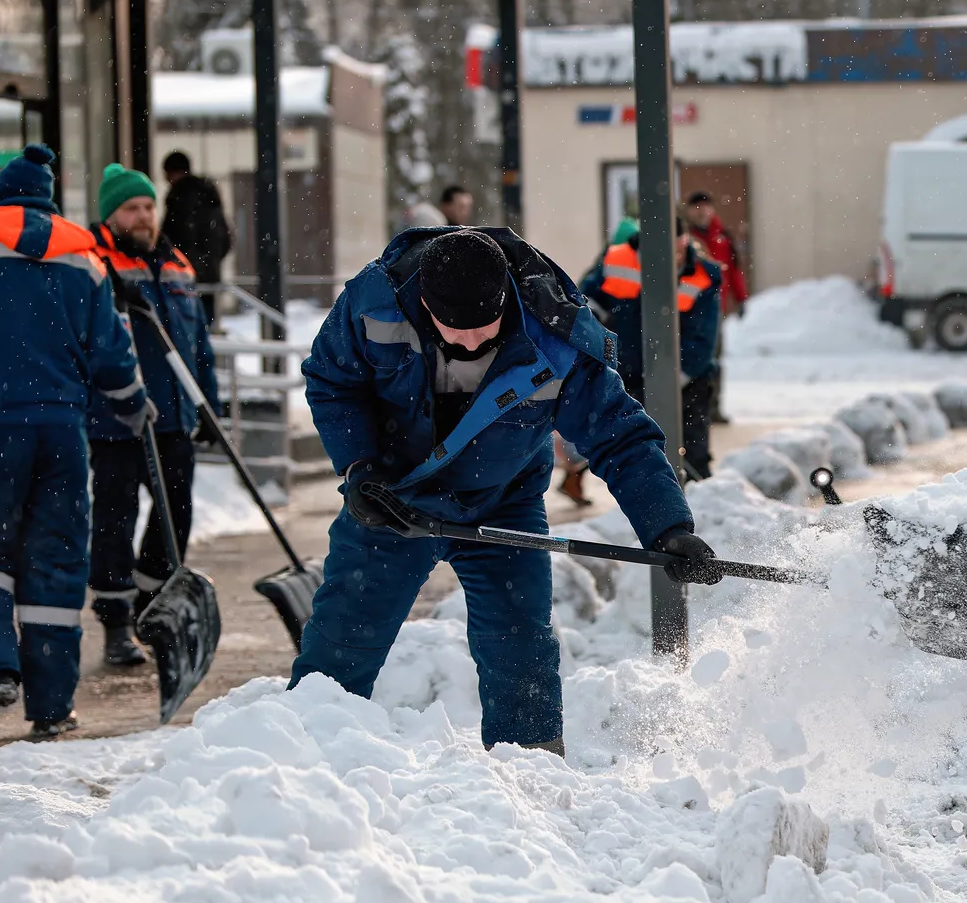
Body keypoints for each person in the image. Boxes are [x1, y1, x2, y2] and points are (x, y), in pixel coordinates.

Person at [291, 227, 717, 754]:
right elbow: (333, 382)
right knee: (340, 646)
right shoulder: (373, 304)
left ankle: (530, 778)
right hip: (392, 500)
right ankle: (305, 770)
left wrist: (669, 527)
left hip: (502, 503)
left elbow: (620, 435)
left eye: (485, 324)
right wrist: (359, 470)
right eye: (454, 327)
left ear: (506, 298)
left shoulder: (554, 333)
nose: (472, 341)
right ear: (424, 300)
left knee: (522, 653)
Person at [0, 144, 153, 736]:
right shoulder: (82, 256)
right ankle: (51, 707)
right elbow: (111, 353)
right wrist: (132, 404)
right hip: (62, 432)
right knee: (57, 556)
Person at [86, 164, 223, 668]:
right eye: (132, 209)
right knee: (114, 520)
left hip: (171, 418)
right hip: (115, 418)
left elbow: (198, 345)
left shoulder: (177, 264)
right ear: (112, 215)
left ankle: (151, 600)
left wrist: (208, 405)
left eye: (147, 207)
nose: (144, 216)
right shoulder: (92, 262)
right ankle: (116, 621)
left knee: (176, 516)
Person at [582, 224, 722, 479]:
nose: (674, 258)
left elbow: (701, 339)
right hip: (631, 373)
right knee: (636, 454)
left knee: (692, 454)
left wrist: (669, 382)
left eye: (679, 251)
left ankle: (698, 499)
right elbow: (589, 304)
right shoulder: (617, 260)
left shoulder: (702, 275)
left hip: (687, 381)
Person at [683, 193, 743, 426]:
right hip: (689, 307)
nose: (701, 212)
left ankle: (714, 407)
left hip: (715, 308)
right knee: (694, 356)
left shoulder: (722, 237)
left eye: (705, 207)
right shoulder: (684, 237)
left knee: (714, 358)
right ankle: (694, 407)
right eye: (696, 207)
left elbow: (733, 270)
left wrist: (740, 297)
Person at [160, 152, 233, 329]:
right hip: (210, 276)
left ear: (170, 173)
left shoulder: (178, 199)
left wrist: (178, 264)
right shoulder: (210, 195)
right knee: (207, 332)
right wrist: (211, 261)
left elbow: (168, 240)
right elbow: (226, 238)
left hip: (184, 279)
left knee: (186, 332)